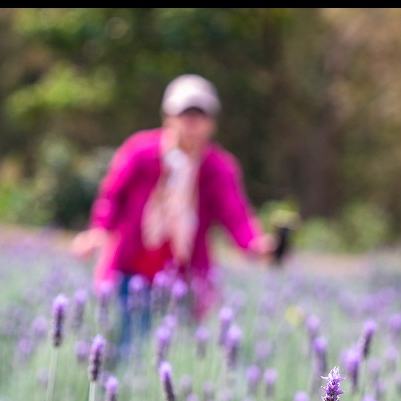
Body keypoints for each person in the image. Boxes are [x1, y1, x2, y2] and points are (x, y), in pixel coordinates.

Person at [71, 74, 276, 357]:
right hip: (131, 271)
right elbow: (112, 196)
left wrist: (255, 244)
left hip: (185, 279)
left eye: (200, 115)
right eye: (185, 114)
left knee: (177, 355)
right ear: (168, 116)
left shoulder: (218, 168)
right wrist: (97, 231)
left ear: (212, 122)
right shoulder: (140, 152)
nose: (192, 123)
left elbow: (236, 214)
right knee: (128, 351)